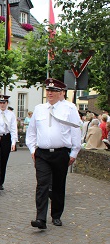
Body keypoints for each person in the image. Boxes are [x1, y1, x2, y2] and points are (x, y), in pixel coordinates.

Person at [26, 78, 82, 229]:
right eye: (48, 90)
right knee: (42, 185)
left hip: (61, 153)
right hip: (42, 153)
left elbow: (76, 131)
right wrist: (32, 149)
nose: (50, 93)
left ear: (62, 93)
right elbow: (31, 132)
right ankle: (40, 218)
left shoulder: (69, 109)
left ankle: (56, 215)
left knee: (58, 185)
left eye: (54, 91)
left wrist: (74, 152)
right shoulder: (39, 109)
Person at [0, 95, 17, 195]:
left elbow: (14, 129)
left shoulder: (11, 114)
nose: (2, 104)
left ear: (7, 103)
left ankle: (1, 182)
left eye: (4, 103)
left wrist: (14, 142)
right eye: (1, 102)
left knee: (3, 161)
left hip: (6, 138)